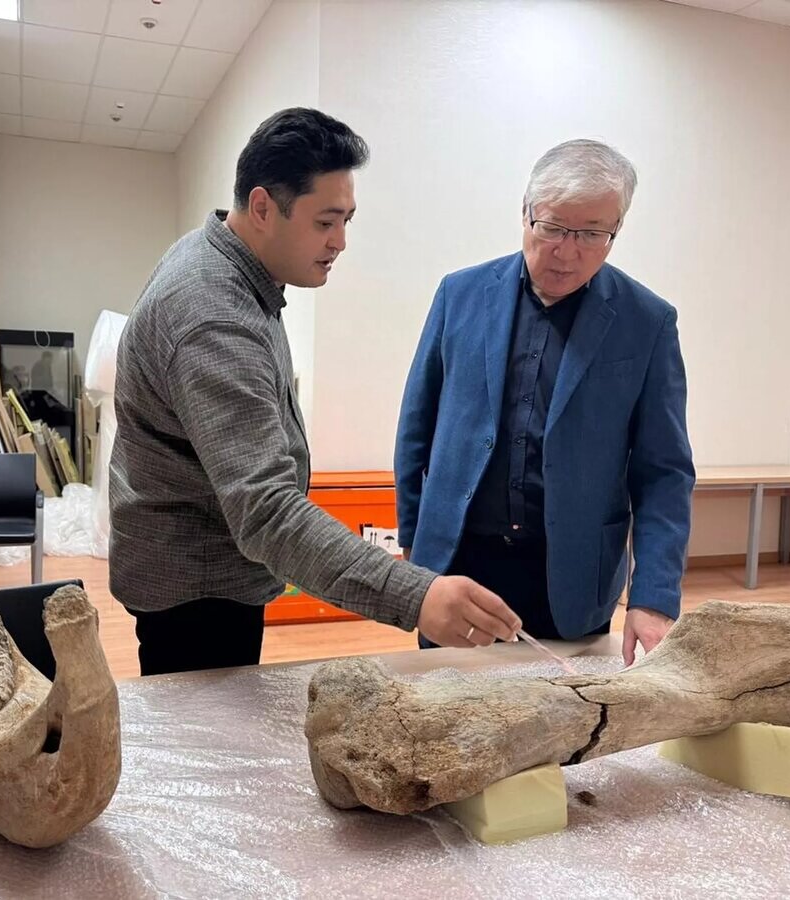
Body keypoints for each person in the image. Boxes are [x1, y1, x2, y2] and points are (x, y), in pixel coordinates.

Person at [109, 108, 522, 676]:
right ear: (262, 208)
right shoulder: (213, 316)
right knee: (207, 728)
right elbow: (267, 512)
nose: (341, 242)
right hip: (197, 587)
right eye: (326, 222)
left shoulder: (218, 257)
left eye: (347, 220)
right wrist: (416, 596)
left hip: (204, 563)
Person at [395, 139, 695, 666]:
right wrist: (415, 542)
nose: (567, 251)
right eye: (553, 228)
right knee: (446, 702)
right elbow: (417, 426)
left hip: (572, 574)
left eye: (592, 234)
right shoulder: (459, 294)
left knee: (563, 709)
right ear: (526, 213)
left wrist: (652, 597)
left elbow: (664, 473)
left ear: (616, 230)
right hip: (459, 561)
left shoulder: (647, 321)